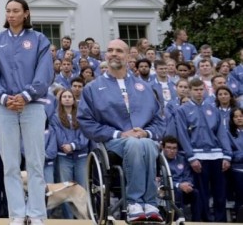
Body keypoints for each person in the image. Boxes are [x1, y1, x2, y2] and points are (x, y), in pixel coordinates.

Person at [78, 39, 166, 222]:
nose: (113, 53)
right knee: (134, 143)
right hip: (112, 142)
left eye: (119, 50)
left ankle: (150, 203)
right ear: (105, 55)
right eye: (110, 50)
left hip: (142, 140)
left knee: (149, 144)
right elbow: (86, 121)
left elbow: (158, 120)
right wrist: (119, 134)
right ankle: (134, 202)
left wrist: (146, 133)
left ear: (128, 57)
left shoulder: (145, 88)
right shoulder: (92, 88)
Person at [0, 0, 52, 225]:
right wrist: (4, 97)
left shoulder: (39, 40)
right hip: (5, 108)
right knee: (10, 163)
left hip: (32, 106)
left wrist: (25, 96)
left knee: (34, 162)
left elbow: (44, 75)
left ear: (26, 13)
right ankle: (16, 214)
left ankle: (36, 214)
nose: (11, 15)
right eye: (8, 11)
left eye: (15, 11)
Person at [173, 77, 231, 222]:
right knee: (202, 193)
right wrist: (191, 157)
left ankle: (221, 221)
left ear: (205, 90)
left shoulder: (213, 109)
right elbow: (182, 134)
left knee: (220, 193)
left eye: (201, 89)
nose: (199, 92)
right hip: (198, 156)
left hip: (217, 155)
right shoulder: (182, 110)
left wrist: (227, 155)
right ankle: (204, 221)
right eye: (196, 90)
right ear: (190, 91)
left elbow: (221, 133)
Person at [51, 88, 89, 219]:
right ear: (60, 100)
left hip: (81, 157)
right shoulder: (55, 117)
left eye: (69, 96)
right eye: (64, 97)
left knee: (81, 189)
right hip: (64, 157)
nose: (67, 98)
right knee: (65, 190)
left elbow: (85, 135)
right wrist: (66, 146)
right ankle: (68, 219)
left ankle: (83, 219)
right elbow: (58, 135)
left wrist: (73, 145)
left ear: (74, 100)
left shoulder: (82, 116)